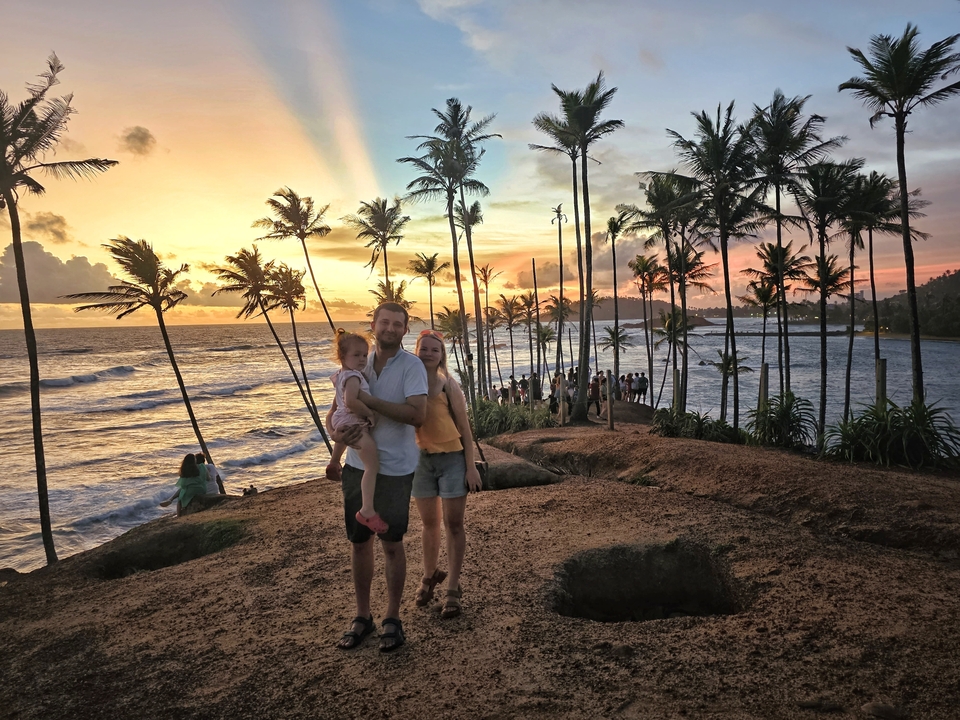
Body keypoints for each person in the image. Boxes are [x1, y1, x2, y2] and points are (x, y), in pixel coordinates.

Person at [326, 303, 427, 653]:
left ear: (405, 329)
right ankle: (362, 615)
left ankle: (392, 617)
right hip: (357, 464)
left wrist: (368, 402)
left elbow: (417, 415)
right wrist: (337, 434)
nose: (390, 328)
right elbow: (336, 406)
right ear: (373, 324)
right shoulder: (359, 360)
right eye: (384, 322)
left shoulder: (412, 366)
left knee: (393, 543)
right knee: (359, 542)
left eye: (397, 324)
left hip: (396, 468)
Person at [411, 330, 483, 619]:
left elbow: (465, 429)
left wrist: (470, 466)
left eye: (434, 350)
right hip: (420, 461)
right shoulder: (409, 385)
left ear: (441, 355)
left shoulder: (448, 385)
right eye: (423, 349)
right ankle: (429, 576)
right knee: (428, 524)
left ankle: (452, 587)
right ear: (416, 351)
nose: (428, 353)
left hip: (452, 459)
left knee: (454, 524)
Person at [326, 330, 387, 534]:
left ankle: (334, 462)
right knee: (372, 465)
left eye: (364, 354)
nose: (362, 359)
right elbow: (352, 402)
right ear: (343, 357)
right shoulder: (353, 377)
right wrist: (370, 414)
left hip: (341, 419)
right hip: (353, 420)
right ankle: (367, 510)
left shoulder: (341, 374)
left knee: (343, 438)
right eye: (357, 355)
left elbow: (339, 404)